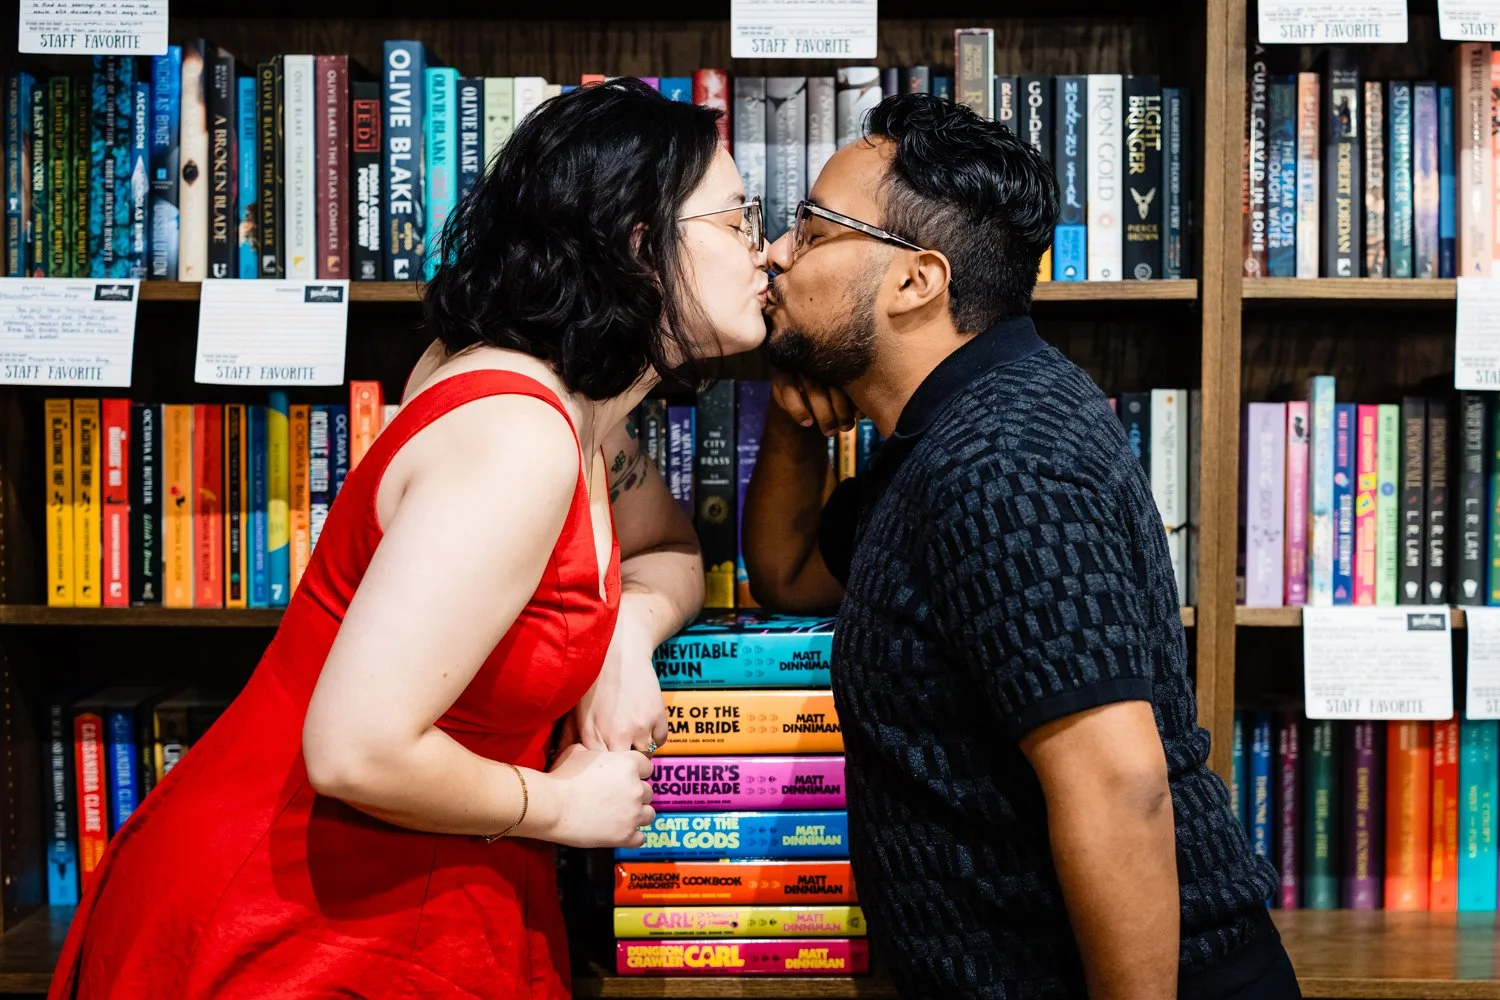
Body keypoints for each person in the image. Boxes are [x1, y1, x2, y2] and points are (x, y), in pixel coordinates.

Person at [50, 78, 769, 1000]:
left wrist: (620, 642)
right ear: (639, 243)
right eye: (738, 219)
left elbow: (665, 551)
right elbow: (356, 749)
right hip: (294, 924)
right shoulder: (517, 435)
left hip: (400, 890)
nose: (768, 253)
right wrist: (563, 805)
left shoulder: (577, 402)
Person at [742, 92, 1298, 999]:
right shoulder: (948, 433)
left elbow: (1120, 786)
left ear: (915, 280)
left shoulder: (1003, 459)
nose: (775, 252)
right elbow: (793, 574)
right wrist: (796, 414)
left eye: (811, 227)